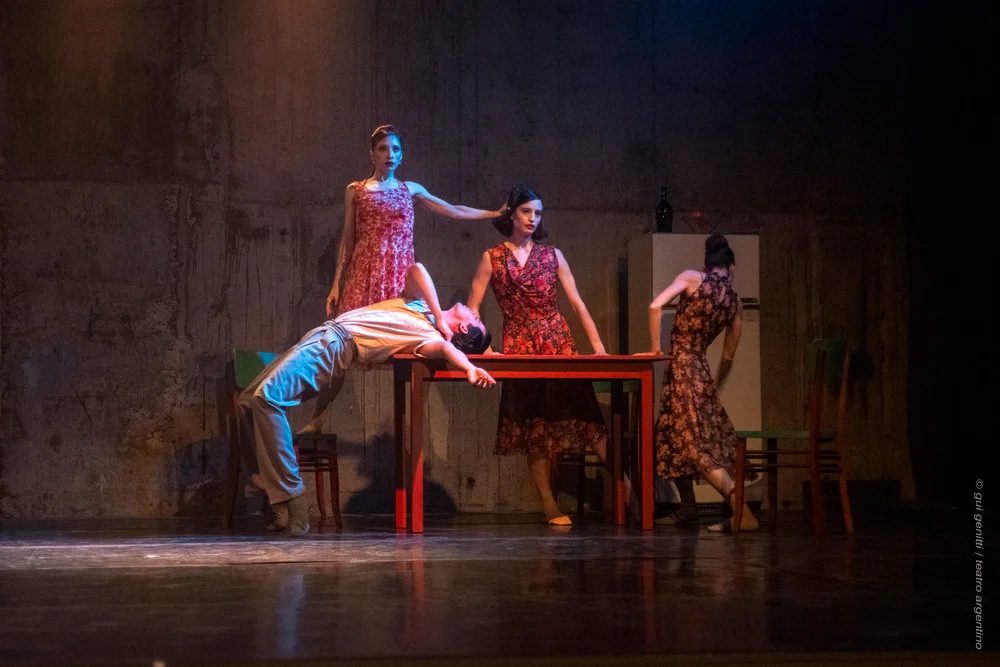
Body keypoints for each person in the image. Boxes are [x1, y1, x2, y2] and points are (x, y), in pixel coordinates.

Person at [240, 263, 495, 537]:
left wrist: (469, 367)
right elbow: (418, 269)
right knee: (246, 401)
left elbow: (446, 348)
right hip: (321, 337)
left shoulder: (428, 338)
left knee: (268, 399)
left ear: (465, 330)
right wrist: (439, 316)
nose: (475, 312)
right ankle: (272, 488)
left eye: (477, 319)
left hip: (334, 345)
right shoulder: (418, 305)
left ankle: (292, 496)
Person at [468, 184, 609, 526]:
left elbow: (577, 302)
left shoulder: (552, 255)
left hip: (557, 340)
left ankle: (631, 493)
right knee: (533, 426)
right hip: (519, 344)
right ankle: (548, 504)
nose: (533, 218)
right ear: (512, 214)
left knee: (586, 417)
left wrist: (599, 347)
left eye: (538, 212)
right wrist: (486, 350)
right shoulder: (492, 257)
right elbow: (471, 311)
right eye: (527, 211)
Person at [326, 125, 506, 317]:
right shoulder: (357, 190)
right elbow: (347, 243)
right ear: (372, 155)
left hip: (398, 274)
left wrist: (494, 214)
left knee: (398, 336)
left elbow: (453, 210)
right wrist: (337, 284)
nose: (390, 154)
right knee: (361, 335)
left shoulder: (410, 190)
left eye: (395, 149)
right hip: (365, 275)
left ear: (401, 155)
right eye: (382, 149)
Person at [641, 234, 757, 532]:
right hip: (700, 370)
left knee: (691, 446)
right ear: (732, 267)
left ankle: (739, 507)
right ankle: (689, 509)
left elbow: (655, 307)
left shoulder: (692, 278)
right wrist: (712, 385)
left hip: (680, 369)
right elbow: (729, 354)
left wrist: (656, 350)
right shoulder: (734, 302)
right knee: (673, 438)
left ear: (708, 264)